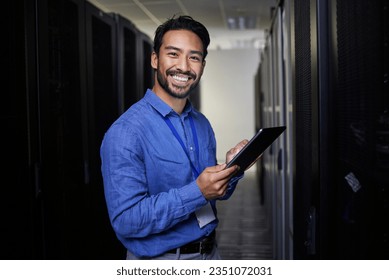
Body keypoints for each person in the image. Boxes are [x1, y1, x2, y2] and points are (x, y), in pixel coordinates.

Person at [100, 15, 248, 260]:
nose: (184, 66)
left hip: (210, 254)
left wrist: (233, 168)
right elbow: (127, 221)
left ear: (202, 66)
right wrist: (197, 192)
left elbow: (214, 194)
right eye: (173, 54)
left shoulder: (202, 124)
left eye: (194, 57)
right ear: (155, 60)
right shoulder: (126, 132)